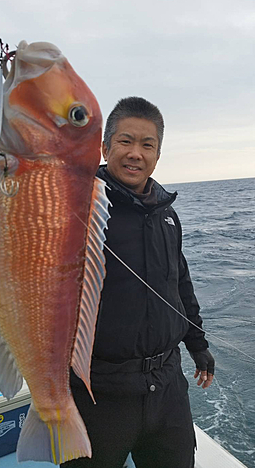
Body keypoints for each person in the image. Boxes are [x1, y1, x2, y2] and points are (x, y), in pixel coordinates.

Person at [63, 97, 215, 468]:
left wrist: (198, 344)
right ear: (105, 147)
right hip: (98, 390)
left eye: (147, 145)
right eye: (125, 142)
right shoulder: (77, 207)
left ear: (158, 155)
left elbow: (179, 284)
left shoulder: (168, 215)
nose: (135, 154)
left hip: (166, 387)